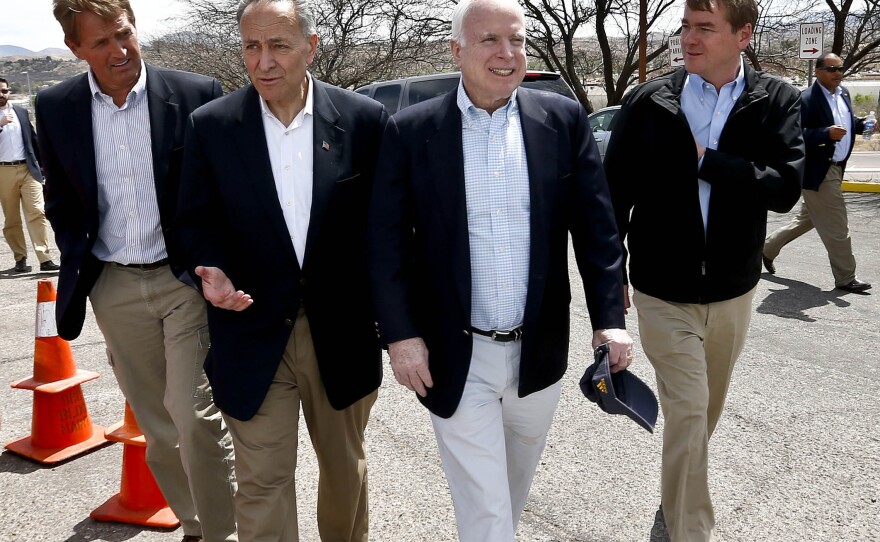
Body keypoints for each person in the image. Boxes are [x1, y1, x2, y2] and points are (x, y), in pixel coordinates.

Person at [368, 0, 633, 539]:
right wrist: (401, 335)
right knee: (489, 514)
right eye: (489, 39)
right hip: (454, 355)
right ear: (457, 49)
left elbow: (597, 229)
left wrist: (609, 318)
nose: (506, 53)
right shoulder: (411, 130)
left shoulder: (560, 121)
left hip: (537, 353)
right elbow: (386, 244)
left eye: (516, 39)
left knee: (507, 495)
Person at [175, 0, 387, 540]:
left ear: (311, 47)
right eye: (251, 46)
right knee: (262, 481)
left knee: (345, 473)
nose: (263, 61)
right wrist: (211, 272)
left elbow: (387, 232)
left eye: (279, 45)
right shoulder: (213, 126)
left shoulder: (364, 121)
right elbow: (194, 225)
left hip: (341, 336)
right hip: (250, 332)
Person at [36, 1, 236, 541]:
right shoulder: (55, 107)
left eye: (122, 34)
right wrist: (77, 254)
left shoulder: (196, 93)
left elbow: (223, 192)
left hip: (182, 282)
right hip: (115, 286)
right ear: (75, 49)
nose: (117, 50)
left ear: (134, 27)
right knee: (157, 426)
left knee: (193, 417)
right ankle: (194, 524)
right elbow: (59, 196)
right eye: (98, 43)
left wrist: (217, 265)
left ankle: (223, 533)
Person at [605, 0, 804, 540]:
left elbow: (786, 188)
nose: (689, 39)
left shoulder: (775, 100)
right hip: (661, 291)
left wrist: (708, 162)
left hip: (734, 291)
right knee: (689, 410)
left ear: (743, 35)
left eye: (705, 28)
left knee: (701, 417)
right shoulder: (649, 102)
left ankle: (675, 498)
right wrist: (610, 277)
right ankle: (689, 530)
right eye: (685, 27)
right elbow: (612, 195)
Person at [763, 52, 872, 293]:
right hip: (818, 171)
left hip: (836, 167)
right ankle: (846, 277)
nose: (838, 74)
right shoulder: (805, 99)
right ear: (818, 71)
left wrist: (861, 124)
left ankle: (767, 248)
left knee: (807, 219)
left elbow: (845, 120)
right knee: (837, 224)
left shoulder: (842, 93)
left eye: (840, 69)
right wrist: (824, 134)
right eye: (832, 69)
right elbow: (794, 135)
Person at [0, 77, 59, 274]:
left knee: (37, 211)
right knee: (12, 218)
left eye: (5, 91)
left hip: (27, 169)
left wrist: (44, 167)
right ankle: (20, 258)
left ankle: (45, 258)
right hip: (3, 172)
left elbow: (34, 141)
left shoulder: (21, 112)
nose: (2, 95)